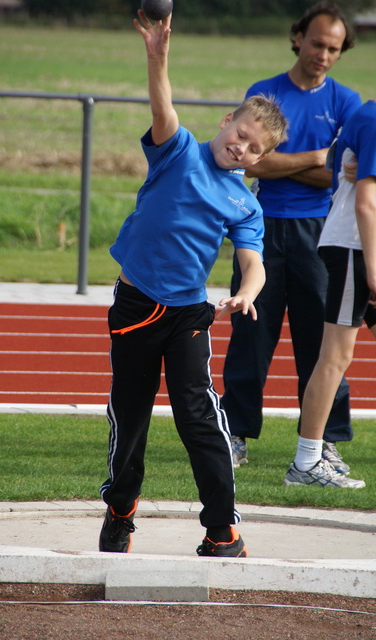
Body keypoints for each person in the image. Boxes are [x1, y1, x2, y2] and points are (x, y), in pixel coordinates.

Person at [98, 10, 288, 556]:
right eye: (241, 134)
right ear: (228, 120)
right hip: (136, 306)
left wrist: (247, 292)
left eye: (255, 150)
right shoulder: (176, 150)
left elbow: (254, 263)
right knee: (129, 418)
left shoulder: (244, 203)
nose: (242, 148)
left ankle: (222, 530)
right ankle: (120, 510)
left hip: (187, 315)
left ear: (259, 161)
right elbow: (163, 105)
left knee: (200, 415)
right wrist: (157, 54)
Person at [222, 2, 362, 472]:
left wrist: (291, 162)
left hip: (322, 236)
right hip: (260, 226)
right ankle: (235, 434)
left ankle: (324, 441)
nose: (324, 54)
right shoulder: (264, 94)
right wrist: (316, 157)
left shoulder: (348, 103)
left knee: (321, 343)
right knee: (250, 333)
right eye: (317, 43)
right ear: (298, 37)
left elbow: (341, 176)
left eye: (334, 48)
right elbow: (251, 161)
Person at [284, 51, 376, 488]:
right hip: (356, 249)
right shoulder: (372, 121)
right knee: (335, 357)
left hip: (369, 253)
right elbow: (362, 200)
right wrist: (372, 272)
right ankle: (305, 464)